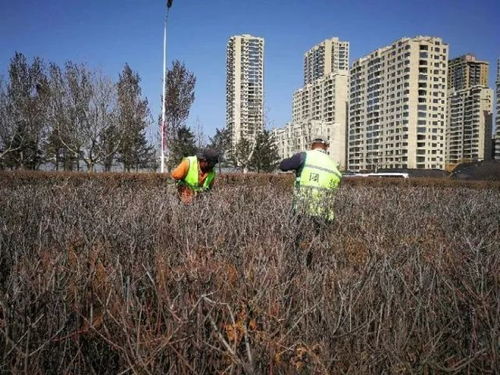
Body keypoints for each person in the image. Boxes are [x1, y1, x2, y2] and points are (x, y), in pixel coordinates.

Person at [279, 135, 342, 265]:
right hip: (325, 214)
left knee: (299, 246)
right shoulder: (334, 165)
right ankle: (316, 272)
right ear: (327, 147)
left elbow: (284, 166)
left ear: (312, 145)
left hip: (303, 210)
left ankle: (298, 272)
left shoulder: (305, 156)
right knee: (318, 248)